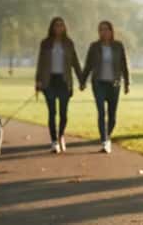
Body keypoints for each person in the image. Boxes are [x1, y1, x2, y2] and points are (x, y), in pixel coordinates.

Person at [80, 20, 130, 154]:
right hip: (98, 83)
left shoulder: (118, 46)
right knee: (101, 112)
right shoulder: (94, 46)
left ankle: (107, 137)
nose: (104, 31)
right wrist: (82, 81)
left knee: (112, 116)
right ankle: (104, 141)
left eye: (106, 29)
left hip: (114, 84)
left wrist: (127, 83)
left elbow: (124, 65)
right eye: (101, 29)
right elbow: (88, 65)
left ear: (111, 31)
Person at [35, 16, 82, 154]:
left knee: (63, 113)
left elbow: (75, 63)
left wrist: (81, 79)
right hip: (49, 81)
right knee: (52, 112)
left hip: (64, 81)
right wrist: (38, 81)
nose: (59, 27)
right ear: (52, 27)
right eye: (56, 25)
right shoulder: (45, 43)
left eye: (61, 25)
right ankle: (54, 142)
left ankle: (61, 135)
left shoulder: (69, 43)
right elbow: (40, 63)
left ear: (65, 27)